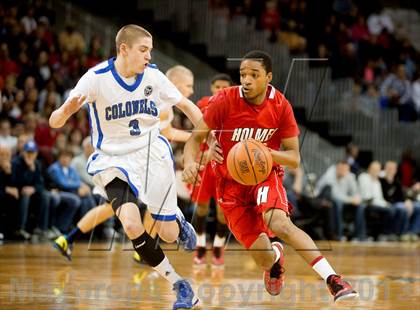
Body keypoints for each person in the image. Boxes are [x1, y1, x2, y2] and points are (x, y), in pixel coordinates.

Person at [182, 50, 357, 302]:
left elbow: (294, 158)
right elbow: (195, 138)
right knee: (262, 258)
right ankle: (275, 260)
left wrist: (262, 153)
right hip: (229, 185)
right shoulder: (224, 100)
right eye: (243, 74)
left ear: (268, 77)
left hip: (264, 176)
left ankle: (333, 279)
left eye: (254, 75)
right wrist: (189, 162)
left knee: (280, 224)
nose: (247, 80)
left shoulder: (280, 105)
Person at [49, 25, 200, 309]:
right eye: (144, 49)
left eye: (150, 50)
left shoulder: (153, 76)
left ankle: (177, 222)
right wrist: (66, 112)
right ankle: (181, 285)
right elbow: (54, 121)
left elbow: (188, 108)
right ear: (124, 49)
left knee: (167, 235)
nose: (149, 55)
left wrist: (207, 134)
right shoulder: (95, 78)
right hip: (113, 161)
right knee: (131, 223)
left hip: (151, 156)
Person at [52, 65, 198, 265]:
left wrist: (193, 138)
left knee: (110, 207)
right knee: (151, 206)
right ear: (177, 83)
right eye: (188, 85)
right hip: (134, 159)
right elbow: (164, 134)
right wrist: (196, 138)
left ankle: (67, 238)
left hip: (121, 156)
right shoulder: (161, 102)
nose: (190, 91)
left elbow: (168, 131)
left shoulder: (159, 96)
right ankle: (144, 249)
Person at [190, 74, 233, 266]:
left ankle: (218, 247)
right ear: (211, 87)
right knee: (201, 207)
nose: (220, 90)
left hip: (226, 165)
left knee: (223, 212)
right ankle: (200, 246)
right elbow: (196, 134)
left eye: (224, 87)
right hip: (204, 163)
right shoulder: (202, 105)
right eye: (217, 87)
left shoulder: (236, 107)